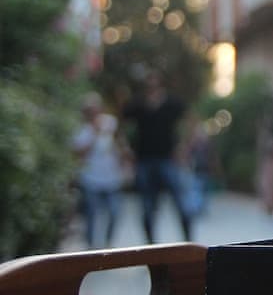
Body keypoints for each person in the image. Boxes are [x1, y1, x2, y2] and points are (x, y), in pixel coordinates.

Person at [121, 71, 194, 243]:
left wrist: (184, 146)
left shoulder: (173, 103)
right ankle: (151, 246)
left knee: (181, 204)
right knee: (147, 207)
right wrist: (125, 148)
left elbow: (191, 121)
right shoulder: (137, 104)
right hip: (144, 160)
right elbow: (121, 125)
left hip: (168, 160)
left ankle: (188, 243)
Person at [72, 93, 131, 248]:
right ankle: (90, 247)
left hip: (112, 177)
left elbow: (120, 142)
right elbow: (79, 154)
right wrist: (94, 134)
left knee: (114, 212)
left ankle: (108, 243)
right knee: (91, 214)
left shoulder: (110, 122)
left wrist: (125, 160)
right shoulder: (81, 130)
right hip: (91, 178)